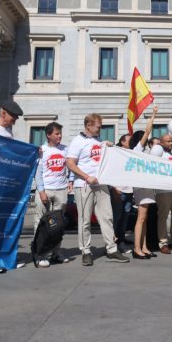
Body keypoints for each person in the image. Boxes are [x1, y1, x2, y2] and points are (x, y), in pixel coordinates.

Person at [66, 113, 129, 266]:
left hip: (101, 184)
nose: (100, 129)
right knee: (85, 220)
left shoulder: (99, 140)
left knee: (107, 217)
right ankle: (86, 251)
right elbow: (70, 163)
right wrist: (86, 177)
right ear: (88, 125)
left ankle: (111, 249)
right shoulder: (77, 141)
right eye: (98, 126)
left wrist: (107, 146)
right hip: (84, 185)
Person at [33, 121, 72, 267]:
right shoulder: (41, 150)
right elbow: (38, 173)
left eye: (60, 133)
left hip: (61, 190)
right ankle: (40, 254)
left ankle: (56, 252)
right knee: (41, 223)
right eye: (57, 133)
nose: (60, 136)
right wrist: (42, 191)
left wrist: (71, 180)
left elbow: (71, 165)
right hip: (46, 190)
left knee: (58, 224)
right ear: (48, 135)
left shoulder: (65, 149)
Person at [129, 105, 159, 260]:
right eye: (144, 139)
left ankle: (144, 247)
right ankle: (136, 249)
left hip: (147, 186)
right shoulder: (137, 150)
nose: (146, 140)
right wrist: (153, 115)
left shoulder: (143, 152)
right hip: (141, 187)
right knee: (141, 218)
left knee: (144, 218)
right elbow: (147, 131)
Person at [151, 134, 172, 254]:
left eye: (171, 141)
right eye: (168, 141)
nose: (171, 143)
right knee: (163, 217)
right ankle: (163, 243)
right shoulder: (159, 154)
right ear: (161, 143)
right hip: (163, 191)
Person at [112, 133, 134, 251]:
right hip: (118, 191)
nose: (132, 142)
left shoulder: (133, 153)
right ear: (122, 142)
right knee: (115, 219)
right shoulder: (115, 154)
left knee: (124, 219)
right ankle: (111, 244)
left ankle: (120, 241)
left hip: (129, 191)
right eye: (130, 140)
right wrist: (114, 189)